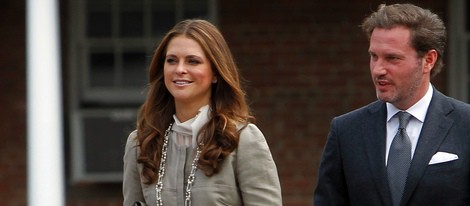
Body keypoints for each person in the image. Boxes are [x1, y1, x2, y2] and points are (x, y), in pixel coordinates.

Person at [314, 3, 470, 206]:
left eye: (392, 58)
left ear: (428, 60)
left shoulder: (465, 125)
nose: (378, 69)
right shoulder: (346, 131)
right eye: (373, 56)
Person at [122, 19, 282, 206]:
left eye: (193, 61)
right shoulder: (140, 144)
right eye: (172, 60)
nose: (180, 69)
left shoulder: (243, 140)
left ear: (215, 73)